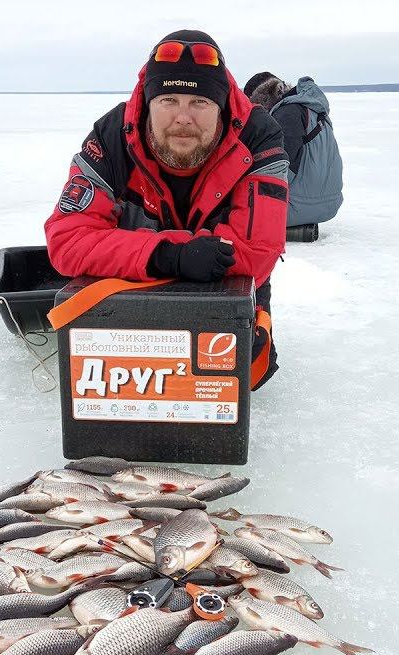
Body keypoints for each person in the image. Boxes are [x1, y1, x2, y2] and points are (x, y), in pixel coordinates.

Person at [45, 30, 289, 389]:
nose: (183, 118)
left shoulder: (258, 136)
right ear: (148, 103)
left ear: (221, 107)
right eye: (169, 99)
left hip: (223, 292)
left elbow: (256, 252)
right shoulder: (112, 136)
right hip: (130, 287)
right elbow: (67, 240)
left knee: (244, 376)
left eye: (200, 103)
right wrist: (168, 254)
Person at [244, 72, 344, 237]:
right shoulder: (310, 107)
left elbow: (281, 170)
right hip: (329, 202)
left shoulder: (285, 114)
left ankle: (284, 229)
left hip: (300, 205)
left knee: (233, 210)